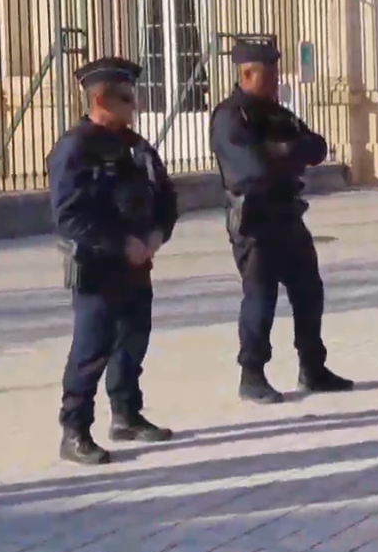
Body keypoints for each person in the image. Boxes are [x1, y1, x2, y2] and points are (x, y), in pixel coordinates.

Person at [47, 57, 180, 465]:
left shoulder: (135, 147)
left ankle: (126, 414)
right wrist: (122, 243)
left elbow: (166, 197)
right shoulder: (75, 148)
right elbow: (69, 216)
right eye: (126, 98)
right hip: (98, 266)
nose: (134, 105)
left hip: (137, 264)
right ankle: (74, 430)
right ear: (101, 98)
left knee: (132, 339)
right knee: (92, 347)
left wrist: (156, 234)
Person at [211, 40, 355, 404]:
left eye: (276, 71)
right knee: (260, 298)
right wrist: (287, 152)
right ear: (246, 74)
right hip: (254, 220)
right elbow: (251, 170)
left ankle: (313, 367)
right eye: (268, 73)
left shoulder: (276, 113)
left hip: (287, 214)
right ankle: (252, 374)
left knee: (309, 292)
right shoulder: (232, 116)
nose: (276, 79)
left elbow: (318, 147)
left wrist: (282, 151)